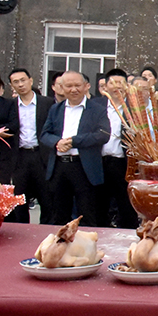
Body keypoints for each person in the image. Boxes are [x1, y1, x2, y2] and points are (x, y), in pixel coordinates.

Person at [39, 71, 110, 226]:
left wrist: (74, 141)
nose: (73, 89)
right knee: (59, 214)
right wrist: (57, 142)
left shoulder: (97, 109)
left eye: (77, 85)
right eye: (69, 86)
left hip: (84, 167)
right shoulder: (55, 109)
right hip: (59, 166)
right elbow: (45, 134)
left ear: (86, 86)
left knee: (87, 214)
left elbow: (103, 135)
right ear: (61, 88)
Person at [6, 68, 54, 224]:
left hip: (42, 155)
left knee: (47, 199)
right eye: (16, 82)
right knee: (20, 200)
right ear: (11, 85)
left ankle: (46, 235)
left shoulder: (47, 103)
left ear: (31, 81)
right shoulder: (10, 105)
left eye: (23, 80)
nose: (20, 84)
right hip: (20, 157)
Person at [96, 68, 137, 229]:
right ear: (105, 86)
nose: (117, 87)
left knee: (126, 205)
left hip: (123, 163)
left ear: (127, 86)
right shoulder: (96, 106)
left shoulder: (134, 108)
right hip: (100, 162)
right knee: (99, 204)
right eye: (112, 83)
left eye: (121, 83)